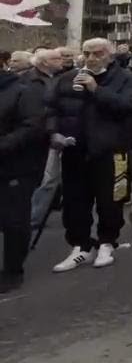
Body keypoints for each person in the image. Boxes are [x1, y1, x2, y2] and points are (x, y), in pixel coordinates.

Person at [45, 38, 132, 272]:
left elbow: (129, 106)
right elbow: (50, 107)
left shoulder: (127, 78)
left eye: (97, 54)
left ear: (109, 56)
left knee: (111, 200)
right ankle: (80, 246)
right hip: (75, 149)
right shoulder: (68, 79)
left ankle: (107, 242)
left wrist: (96, 90)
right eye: (87, 53)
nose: (90, 58)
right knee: (74, 200)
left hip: (112, 150)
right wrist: (53, 133)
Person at [0, 51, 47, 293]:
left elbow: (32, 126)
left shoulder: (23, 90)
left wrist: (4, 145)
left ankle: (12, 270)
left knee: (14, 221)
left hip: (15, 168)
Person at [22, 49, 65, 230]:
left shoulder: (57, 78)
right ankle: (32, 218)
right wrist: (51, 131)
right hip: (44, 135)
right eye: (57, 58)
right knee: (47, 179)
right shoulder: (31, 81)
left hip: (52, 133)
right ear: (44, 62)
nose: (61, 60)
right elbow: (43, 110)